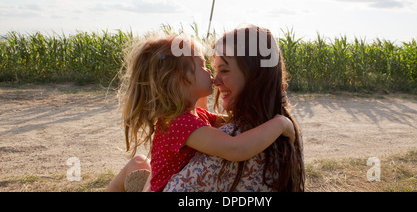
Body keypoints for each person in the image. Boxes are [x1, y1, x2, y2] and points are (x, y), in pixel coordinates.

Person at [106, 32, 295, 192]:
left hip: (158, 183)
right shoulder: (180, 123)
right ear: (182, 78)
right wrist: (280, 123)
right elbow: (235, 148)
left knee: (139, 161)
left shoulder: (190, 117)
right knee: (138, 162)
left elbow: (233, 122)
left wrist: (271, 100)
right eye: (204, 65)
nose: (212, 74)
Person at [164, 25, 305, 192]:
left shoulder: (230, 142)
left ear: (255, 75)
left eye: (223, 70)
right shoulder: (288, 130)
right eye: (214, 70)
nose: (215, 81)